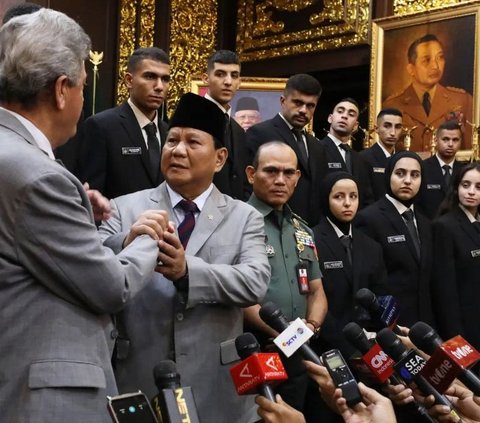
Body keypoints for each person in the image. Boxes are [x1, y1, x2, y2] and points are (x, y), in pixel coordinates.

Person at [0, 9, 160, 422]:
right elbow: (111, 287)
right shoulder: (39, 176)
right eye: (83, 86)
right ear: (60, 91)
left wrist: (79, 215)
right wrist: (146, 237)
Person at [98, 92, 270, 423]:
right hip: (140, 376)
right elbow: (95, 269)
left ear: (219, 159)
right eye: (172, 140)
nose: (177, 150)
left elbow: (255, 282)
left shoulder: (244, 216)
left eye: (192, 142)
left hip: (218, 386)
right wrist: (127, 240)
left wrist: (187, 271)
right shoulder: (125, 207)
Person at [244, 141, 328, 412]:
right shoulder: (237, 222)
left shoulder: (302, 229)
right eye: (271, 171)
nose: (280, 180)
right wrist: (286, 335)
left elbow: (316, 290)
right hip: (256, 349)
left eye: (288, 172)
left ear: (297, 178)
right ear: (250, 174)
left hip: (298, 353)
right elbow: (237, 297)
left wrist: (309, 328)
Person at [305, 172, 388, 423]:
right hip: (327, 348)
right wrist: (347, 345)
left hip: (366, 350)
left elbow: (380, 298)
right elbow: (312, 296)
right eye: (339, 197)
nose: (347, 203)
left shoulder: (371, 245)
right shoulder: (311, 238)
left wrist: (367, 342)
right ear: (325, 199)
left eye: (353, 196)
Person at [76, 47, 170, 199]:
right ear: (129, 80)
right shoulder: (101, 126)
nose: (159, 86)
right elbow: (92, 197)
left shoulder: (169, 132)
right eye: (150, 76)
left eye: (165, 79)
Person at [355, 151, 434, 327]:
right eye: (400, 173)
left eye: (415, 175)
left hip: (424, 323)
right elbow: (366, 281)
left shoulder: (426, 222)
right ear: (388, 175)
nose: (407, 180)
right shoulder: (369, 219)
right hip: (389, 324)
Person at [246, 73, 326, 226]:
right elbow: (246, 186)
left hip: (309, 231)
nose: (303, 110)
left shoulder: (317, 146)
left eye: (310, 106)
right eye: (298, 103)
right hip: (266, 226)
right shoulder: (259, 133)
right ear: (283, 101)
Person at [383, 34, 473, 152]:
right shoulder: (392, 105)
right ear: (411, 69)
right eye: (427, 60)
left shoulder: (462, 100)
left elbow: (471, 152)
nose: (435, 66)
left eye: (440, 58)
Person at [431, 163, 480, 359]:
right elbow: (445, 291)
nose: (471, 192)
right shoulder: (445, 226)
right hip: (465, 327)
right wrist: (457, 338)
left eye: (478, 187)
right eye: (465, 185)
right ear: (456, 187)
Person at [202, 49, 250, 200]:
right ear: (205, 78)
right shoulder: (191, 119)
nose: (228, 82)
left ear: (239, 82)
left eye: (234, 75)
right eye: (220, 74)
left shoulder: (238, 130)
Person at [319, 98, 374, 209]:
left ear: (355, 125)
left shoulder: (360, 159)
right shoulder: (317, 149)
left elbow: (367, 198)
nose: (344, 116)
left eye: (351, 114)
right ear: (330, 118)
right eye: (340, 111)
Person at [417, 120, 464, 219]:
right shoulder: (422, 168)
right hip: (429, 228)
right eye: (445, 139)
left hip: (457, 229)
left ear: (460, 142)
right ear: (435, 140)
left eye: (455, 140)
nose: (450, 144)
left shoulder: (464, 171)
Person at [360, 108, 403, 200]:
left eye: (398, 127)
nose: (393, 133)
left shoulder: (402, 159)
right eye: (387, 126)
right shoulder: (363, 158)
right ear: (376, 129)